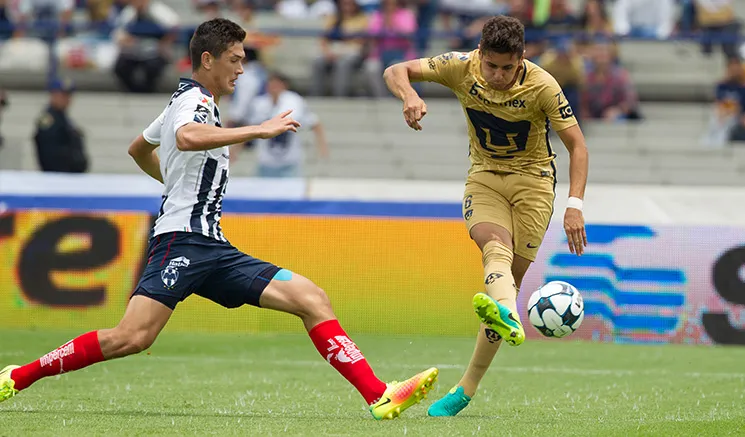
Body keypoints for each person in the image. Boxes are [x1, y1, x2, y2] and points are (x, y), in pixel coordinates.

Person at [0, 18, 437, 421]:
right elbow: (186, 137)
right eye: (235, 60)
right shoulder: (194, 102)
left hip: (213, 247)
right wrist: (257, 130)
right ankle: (18, 377)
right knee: (132, 338)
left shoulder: (187, 101)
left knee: (311, 298)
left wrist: (172, 182)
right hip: (182, 243)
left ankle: (379, 396)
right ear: (207, 60)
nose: (242, 70)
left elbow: (138, 147)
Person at [382, 15, 588, 416]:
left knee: (507, 282)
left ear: (522, 58)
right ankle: (508, 314)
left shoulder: (543, 85)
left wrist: (574, 205)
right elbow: (396, 70)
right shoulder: (461, 66)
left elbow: (577, 147)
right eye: (491, 66)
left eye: (507, 68)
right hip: (485, 176)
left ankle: (466, 387)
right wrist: (408, 95)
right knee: (494, 246)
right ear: (480, 55)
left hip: (534, 183)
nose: (497, 75)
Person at [237, 72, 329, 177]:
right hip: (265, 162)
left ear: (284, 86)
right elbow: (248, 128)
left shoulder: (294, 101)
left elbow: (315, 123)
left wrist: (322, 148)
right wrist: (235, 151)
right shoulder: (259, 104)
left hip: (289, 162)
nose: (273, 88)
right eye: (271, 84)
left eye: (277, 85)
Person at [33, 78, 89, 173]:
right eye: (63, 95)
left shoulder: (63, 118)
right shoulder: (48, 120)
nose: (67, 99)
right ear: (53, 95)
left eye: (69, 95)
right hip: (57, 175)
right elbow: (49, 152)